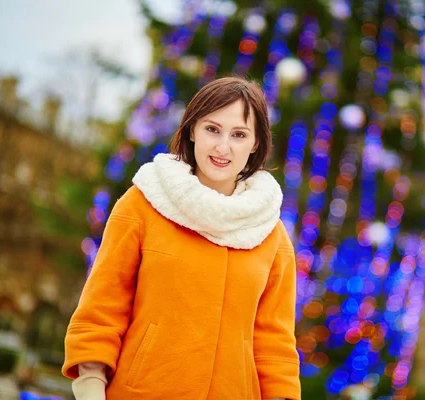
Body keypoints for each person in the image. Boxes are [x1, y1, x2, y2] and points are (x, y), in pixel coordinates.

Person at [62, 77, 301, 400]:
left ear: (256, 143)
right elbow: (102, 310)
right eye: (212, 129)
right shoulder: (143, 203)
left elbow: (274, 342)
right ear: (191, 130)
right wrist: (91, 388)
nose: (223, 147)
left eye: (239, 135)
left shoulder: (270, 233)